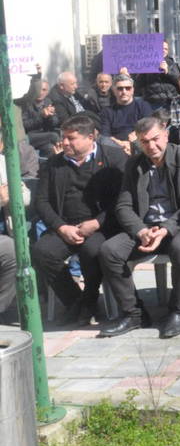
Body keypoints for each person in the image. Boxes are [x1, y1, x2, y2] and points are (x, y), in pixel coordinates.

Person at [98, 116, 180, 338]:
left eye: (155, 139)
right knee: (110, 250)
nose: (151, 146)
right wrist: (141, 230)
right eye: (145, 142)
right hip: (147, 227)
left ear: (166, 134)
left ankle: (178, 311)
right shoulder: (135, 164)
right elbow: (124, 206)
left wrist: (166, 228)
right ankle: (134, 313)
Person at [31, 114, 127, 325]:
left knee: (91, 250)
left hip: (100, 225)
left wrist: (97, 223)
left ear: (91, 137)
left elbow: (122, 200)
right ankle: (77, 301)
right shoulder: (54, 164)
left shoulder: (114, 158)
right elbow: (42, 202)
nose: (64, 142)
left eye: (71, 138)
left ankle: (89, 300)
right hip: (66, 224)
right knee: (42, 252)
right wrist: (61, 227)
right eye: (63, 137)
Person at [101, 74, 153, 143]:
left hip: (140, 145)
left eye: (128, 88)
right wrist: (122, 144)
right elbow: (105, 136)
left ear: (132, 90)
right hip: (115, 148)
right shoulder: (107, 112)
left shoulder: (144, 107)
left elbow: (149, 129)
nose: (124, 92)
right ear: (114, 91)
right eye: (120, 88)